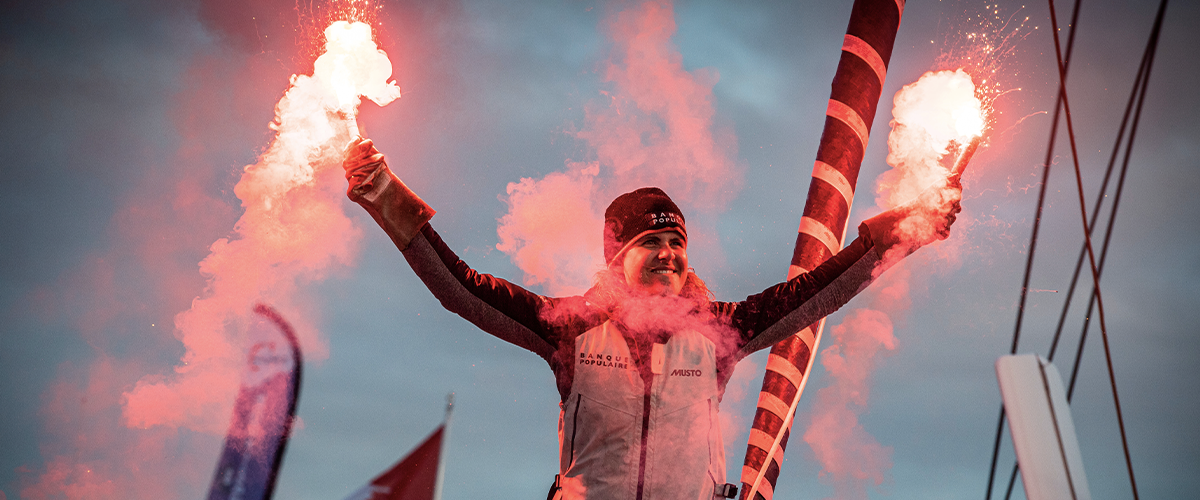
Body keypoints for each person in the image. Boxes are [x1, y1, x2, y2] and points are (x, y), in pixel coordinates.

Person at [342, 136, 961, 500]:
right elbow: (461, 288)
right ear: (617, 253)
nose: (668, 255)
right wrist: (383, 194)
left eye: (677, 245)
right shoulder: (570, 327)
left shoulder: (721, 329)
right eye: (651, 244)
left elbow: (819, 294)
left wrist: (900, 234)